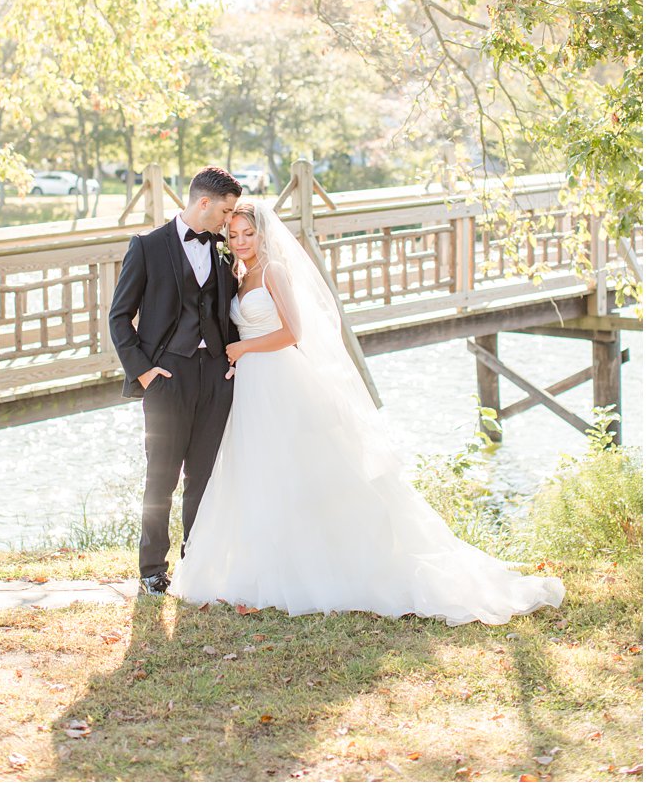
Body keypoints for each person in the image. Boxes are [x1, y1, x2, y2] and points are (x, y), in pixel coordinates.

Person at [170, 199, 565, 624]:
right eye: (234, 235)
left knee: (299, 470)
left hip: (280, 378)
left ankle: (320, 565)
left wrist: (243, 347)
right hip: (252, 384)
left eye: (249, 233)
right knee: (260, 472)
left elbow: (292, 332)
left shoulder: (274, 272)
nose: (241, 241)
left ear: (263, 234)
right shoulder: (240, 274)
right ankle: (264, 565)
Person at [108, 166, 242, 596]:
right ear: (203, 203)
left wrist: (234, 358)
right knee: (161, 477)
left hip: (216, 376)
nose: (229, 220)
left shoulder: (224, 249)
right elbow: (119, 316)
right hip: (167, 376)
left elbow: (229, 310)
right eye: (225, 211)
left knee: (203, 476)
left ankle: (196, 562)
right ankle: (151, 568)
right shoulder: (147, 247)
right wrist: (144, 371)